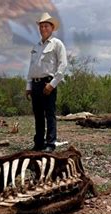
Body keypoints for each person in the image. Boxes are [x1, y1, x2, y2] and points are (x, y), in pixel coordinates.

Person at [26, 12, 67, 152]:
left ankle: (50, 143)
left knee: (49, 114)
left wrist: (53, 84)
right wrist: (28, 85)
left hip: (48, 83)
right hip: (36, 83)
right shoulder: (36, 46)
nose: (43, 28)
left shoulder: (57, 44)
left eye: (46, 26)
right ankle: (39, 143)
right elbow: (32, 67)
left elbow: (63, 66)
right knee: (38, 115)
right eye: (41, 26)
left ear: (52, 27)